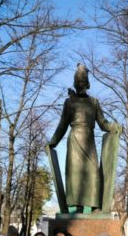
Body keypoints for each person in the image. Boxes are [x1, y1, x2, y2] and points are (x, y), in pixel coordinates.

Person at [48, 63, 121, 212]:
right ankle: (78, 205)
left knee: (93, 172)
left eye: (83, 82)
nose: (80, 85)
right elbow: (62, 124)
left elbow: (103, 123)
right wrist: (53, 141)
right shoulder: (69, 102)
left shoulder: (94, 102)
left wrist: (113, 126)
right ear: (75, 84)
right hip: (74, 138)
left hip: (89, 139)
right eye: (78, 82)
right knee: (75, 173)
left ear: (87, 84)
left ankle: (94, 206)